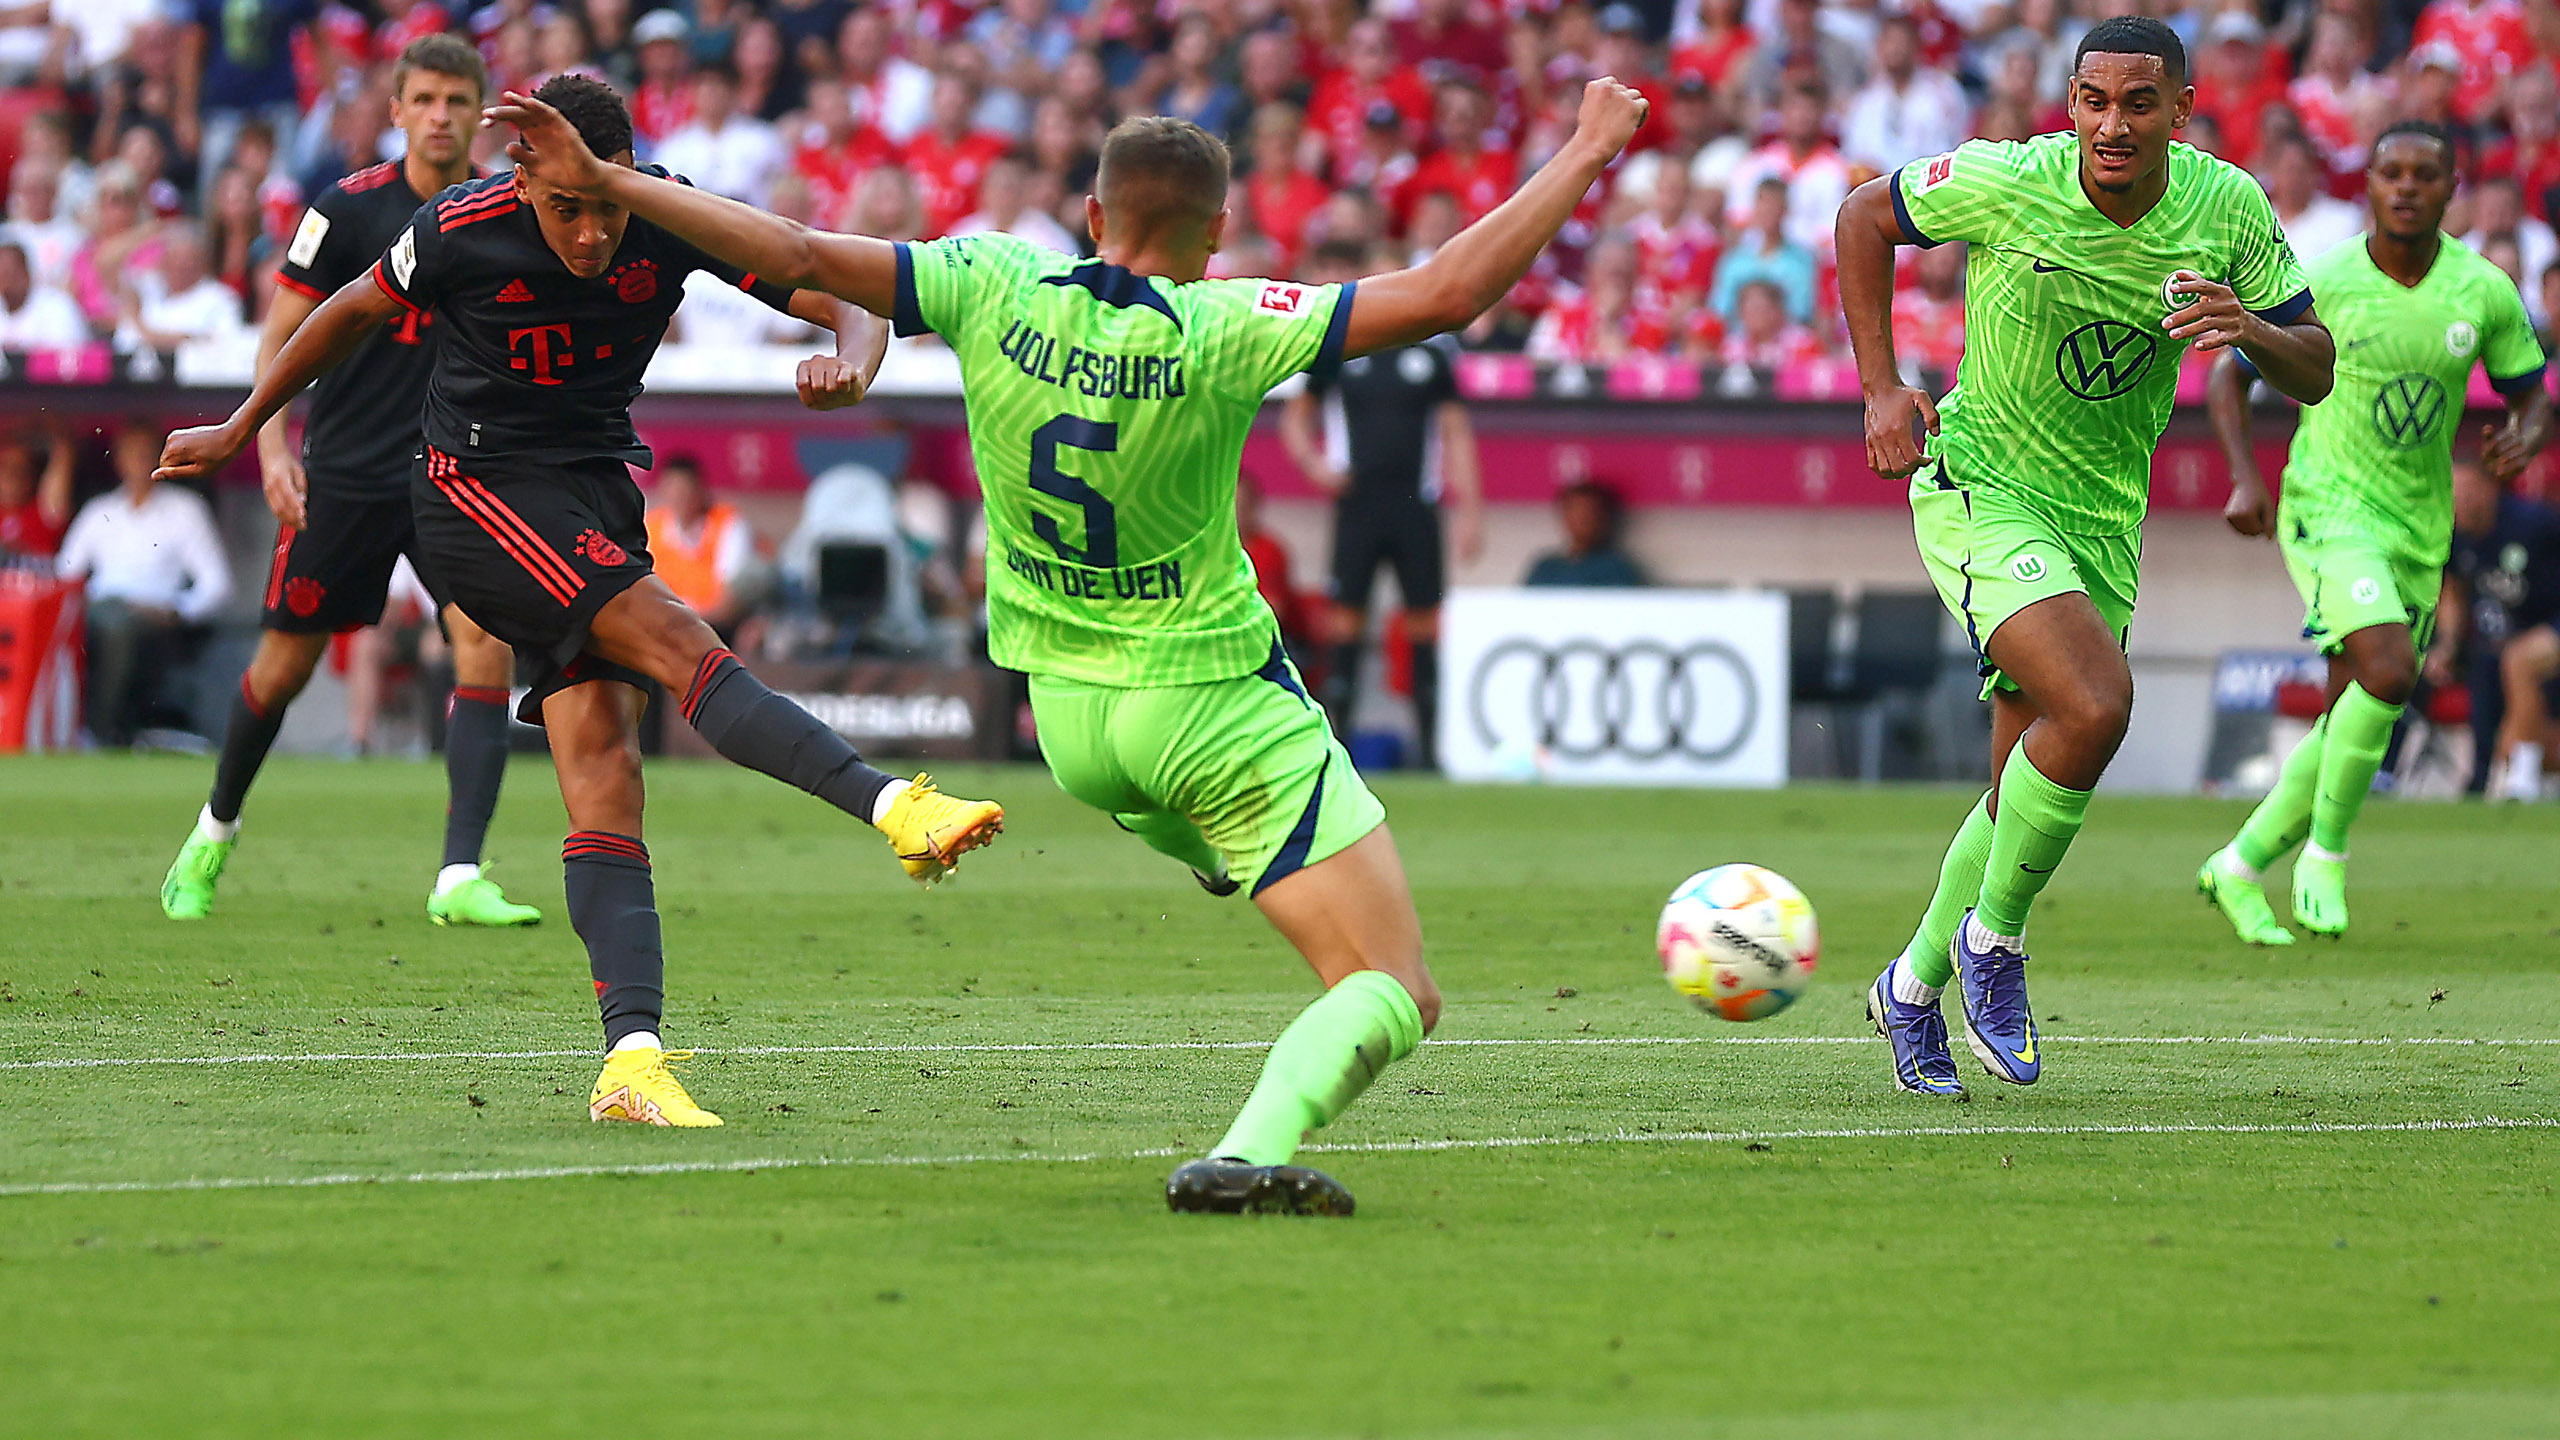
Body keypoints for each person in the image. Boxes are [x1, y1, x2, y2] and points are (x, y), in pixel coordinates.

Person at [487, 73, 1653, 1212]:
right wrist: (1588, 147)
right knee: (1395, 988)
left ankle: (1198, 839)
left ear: (1092, 216)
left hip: (1073, 727)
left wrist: (611, 186)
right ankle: (1246, 1152)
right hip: (1207, 705)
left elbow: (788, 250)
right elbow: (1450, 290)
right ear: (1217, 234)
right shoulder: (1225, 323)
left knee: (1192, 812)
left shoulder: (990, 279)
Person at [157, 75, 1007, 1130]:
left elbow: (835, 288)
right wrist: (246, 427)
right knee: (680, 641)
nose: (596, 232)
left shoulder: (662, 212)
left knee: (607, 770)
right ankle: (893, 808)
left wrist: (853, 358)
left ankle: (631, 1065)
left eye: (609, 203)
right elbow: (349, 310)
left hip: (593, 486)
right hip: (474, 490)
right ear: (523, 177)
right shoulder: (460, 225)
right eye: (570, 207)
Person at [1837, 17, 2332, 1096]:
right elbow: (1862, 217)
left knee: (2019, 781)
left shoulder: (2229, 208)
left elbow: (2316, 368)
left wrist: (2246, 327)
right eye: (2093, 100)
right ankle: (1993, 946)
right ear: (2069, 104)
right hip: (1982, 487)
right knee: (2098, 705)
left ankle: (1911, 991)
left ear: (2180, 111)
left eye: (2138, 103)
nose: (2112, 123)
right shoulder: (2007, 180)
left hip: (2101, 520)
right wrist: (1880, 388)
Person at [157, 39, 542, 928]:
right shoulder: (345, 209)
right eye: (427, 98)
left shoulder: (507, 211)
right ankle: (215, 827)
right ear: (397, 110)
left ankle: (459, 876)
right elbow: (282, 331)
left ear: (479, 109)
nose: (442, 114)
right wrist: (270, 448)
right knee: (281, 669)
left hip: (457, 475)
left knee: (483, 646)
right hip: (345, 473)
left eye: (458, 99)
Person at [2201, 122, 2549, 942]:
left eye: (2423, 174)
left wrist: (2527, 435)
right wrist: (2247, 479)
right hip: (2329, 506)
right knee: (2390, 673)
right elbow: (2229, 370)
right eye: (2389, 171)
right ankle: (2327, 853)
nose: (2404, 186)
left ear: (2450, 188)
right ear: (2371, 186)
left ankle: (2240, 866)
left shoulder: (2482, 290)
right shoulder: (2323, 280)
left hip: (2419, 527)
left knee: (2351, 708)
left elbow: (2532, 393)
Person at [1281, 239, 1481, 771]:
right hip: (1359, 504)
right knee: (1345, 622)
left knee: (1423, 622)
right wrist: (1314, 466)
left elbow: (1457, 433)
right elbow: (1295, 415)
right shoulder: (1343, 348)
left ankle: (1429, 751)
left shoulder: (1432, 354)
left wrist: (1470, 511)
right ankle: (1336, 746)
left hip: (1417, 505)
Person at [58, 423, 234, 746]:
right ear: (118, 461)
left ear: (160, 459)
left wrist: (176, 611)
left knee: (119, 629)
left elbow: (218, 584)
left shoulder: (185, 510)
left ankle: (104, 733)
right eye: (131, 454)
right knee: (104, 623)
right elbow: (64, 574)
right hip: (99, 610)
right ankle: (79, 728)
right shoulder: (100, 511)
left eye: (145, 454)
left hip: (155, 618)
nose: (138, 461)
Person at [2443, 462, 2560, 798]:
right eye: (2454, 493)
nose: (2461, 501)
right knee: (2514, 743)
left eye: (2468, 491)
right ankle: (2516, 768)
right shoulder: (2456, 537)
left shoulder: (2533, 522)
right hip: (2514, 636)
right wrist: (2448, 645)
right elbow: (2452, 591)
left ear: (2489, 489)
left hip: (2549, 623)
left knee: (2519, 659)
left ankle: (2523, 783)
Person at [643, 455, 763, 636]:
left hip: (716, 629)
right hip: (664, 629)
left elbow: (729, 605)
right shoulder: (650, 528)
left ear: (701, 489)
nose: (679, 498)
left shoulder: (728, 524)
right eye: (672, 490)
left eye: (685, 490)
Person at [1523, 480, 1645, 587]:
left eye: (1589, 512)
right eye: (1575, 511)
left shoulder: (1618, 570)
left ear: (1605, 517)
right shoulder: (1546, 568)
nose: (1582, 520)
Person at [0, 419, 75, 561]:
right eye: (4, 466)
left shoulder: (44, 512)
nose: (11, 475)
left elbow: (64, 449)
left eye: (20, 469)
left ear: (34, 476)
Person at [0, 239, 88, 351]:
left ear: (26, 273)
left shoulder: (58, 306)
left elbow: (68, 360)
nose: (6, 284)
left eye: (9, 274)